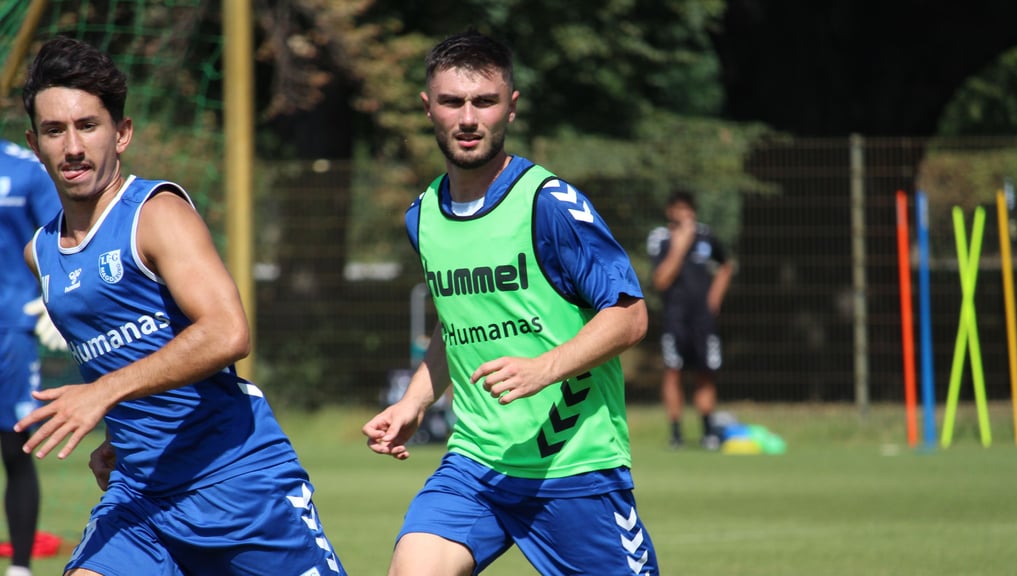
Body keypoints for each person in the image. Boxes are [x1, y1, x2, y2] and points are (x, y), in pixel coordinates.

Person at [14, 36, 345, 575]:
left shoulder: (156, 213)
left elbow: (227, 332)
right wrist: (118, 433)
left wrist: (103, 394)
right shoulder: (41, 253)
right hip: (140, 496)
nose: (72, 146)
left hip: (238, 483)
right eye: (55, 130)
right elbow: (128, 354)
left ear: (121, 134)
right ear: (36, 142)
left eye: (88, 126)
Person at [362, 30, 659, 575]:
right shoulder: (422, 214)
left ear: (512, 107)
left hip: (573, 467)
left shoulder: (549, 204)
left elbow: (629, 315)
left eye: (484, 101)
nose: (468, 118)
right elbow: (455, 323)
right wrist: (414, 401)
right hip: (477, 464)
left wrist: (544, 368)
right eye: (452, 102)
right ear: (428, 109)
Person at [0, 138, 62, 576]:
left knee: (16, 447)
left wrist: (54, 300)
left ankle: (19, 569)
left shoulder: (26, 169)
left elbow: (62, 240)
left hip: (12, 329)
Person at [647, 190, 734, 450]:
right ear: (670, 212)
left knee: (706, 372)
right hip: (676, 318)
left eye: (689, 209)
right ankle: (676, 434)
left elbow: (726, 265)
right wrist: (681, 244)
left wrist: (715, 297)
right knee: (673, 372)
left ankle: (708, 432)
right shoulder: (660, 239)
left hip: (703, 320)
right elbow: (660, 280)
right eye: (680, 209)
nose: (686, 215)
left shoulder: (706, 236)